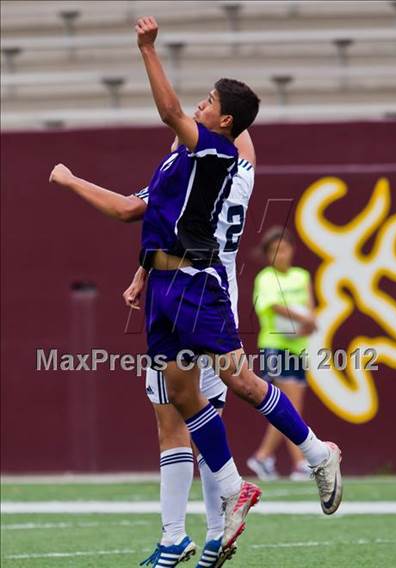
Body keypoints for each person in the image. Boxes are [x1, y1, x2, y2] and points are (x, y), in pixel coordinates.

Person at [123, 15, 343, 565]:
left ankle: (290, 467)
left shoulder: (200, 160)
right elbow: (232, 135)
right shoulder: (237, 165)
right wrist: (146, 271)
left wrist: (155, 56)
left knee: (217, 390)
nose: (198, 106)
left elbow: (151, 187)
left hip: (201, 282)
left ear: (219, 122)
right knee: (188, 395)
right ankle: (218, 520)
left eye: (209, 102)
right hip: (190, 279)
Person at [49, 128, 256, 568]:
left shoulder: (187, 174)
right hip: (219, 306)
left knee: (172, 422)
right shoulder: (235, 174)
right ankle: (217, 535)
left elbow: (129, 208)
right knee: (205, 424)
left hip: (185, 302)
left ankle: (175, 536)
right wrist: (142, 272)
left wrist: (69, 179)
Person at [247, 226, 317, 481]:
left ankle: (263, 457)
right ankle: (300, 463)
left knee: (287, 409)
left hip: (298, 347)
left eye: (284, 249)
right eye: (273, 251)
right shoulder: (265, 278)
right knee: (292, 407)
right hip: (275, 347)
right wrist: (302, 317)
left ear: (292, 251)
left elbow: (311, 307)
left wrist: (311, 322)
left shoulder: (301, 276)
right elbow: (273, 305)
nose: (280, 255)